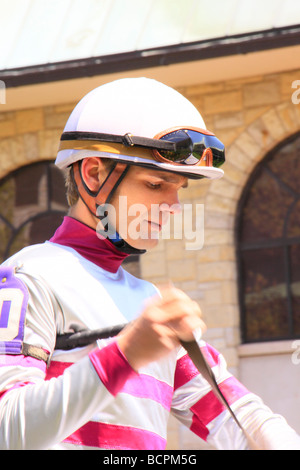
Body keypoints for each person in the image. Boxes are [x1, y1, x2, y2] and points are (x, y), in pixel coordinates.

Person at [0, 77, 299, 450]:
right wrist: (126, 354)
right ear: (93, 174)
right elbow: (8, 431)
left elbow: (240, 419)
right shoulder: (27, 277)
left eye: (178, 189)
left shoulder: (149, 301)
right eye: (156, 185)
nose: (173, 206)